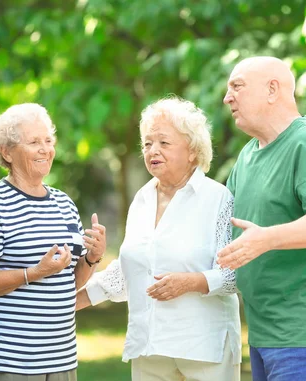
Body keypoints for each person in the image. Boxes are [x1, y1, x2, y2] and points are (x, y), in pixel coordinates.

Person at [76, 97, 241, 381]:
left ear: (192, 151)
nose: (153, 150)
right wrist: (61, 302)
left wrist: (191, 282)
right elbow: (130, 270)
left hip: (204, 348)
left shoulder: (218, 198)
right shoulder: (142, 198)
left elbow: (234, 274)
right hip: (148, 347)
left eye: (164, 143)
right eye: (147, 143)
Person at [217, 56, 306, 381]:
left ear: (272, 90)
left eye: (237, 87)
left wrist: (265, 239)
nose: (227, 98)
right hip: (265, 331)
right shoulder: (248, 155)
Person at [0, 103, 106, 381]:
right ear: (6, 152)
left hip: (62, 359)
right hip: (11, 363)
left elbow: (69, 283)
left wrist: (92, 257)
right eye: (34, 142)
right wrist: (34, 274)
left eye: (48, 141)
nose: (45, 149)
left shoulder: (64, 203)